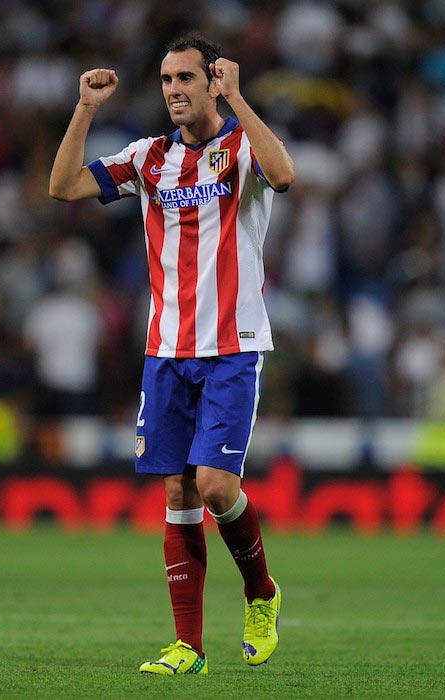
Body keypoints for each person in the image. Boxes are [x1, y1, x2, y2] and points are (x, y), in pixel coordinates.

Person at [49, 32, 295, 675]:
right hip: (166, 350)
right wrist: (85, 109)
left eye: (186, 77)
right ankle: (188, 646)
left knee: (216, 487)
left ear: (211, 81)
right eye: (166, 80)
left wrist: (239, 100)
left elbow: (286, 175)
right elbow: (64, 187)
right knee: (179, 491)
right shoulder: (148, 157)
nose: (174, 90)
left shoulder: (242, 147)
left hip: (233, 346)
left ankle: (262, 593)